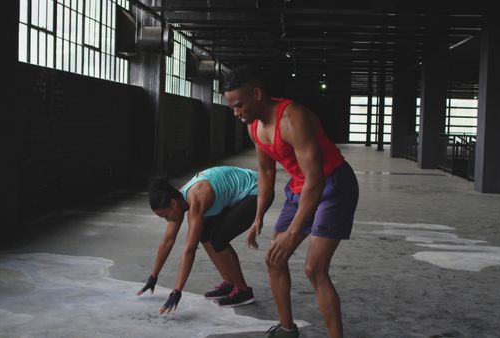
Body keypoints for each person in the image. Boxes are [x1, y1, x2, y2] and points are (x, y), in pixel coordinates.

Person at [223, 66, 359, 338]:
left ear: (257, 94)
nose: (235, 112)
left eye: (238, 105)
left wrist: (293, 232)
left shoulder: (292, 118)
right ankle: (287, 329)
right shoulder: (254, 128)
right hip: (300, 189)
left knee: (315, 269)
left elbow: (316, 179)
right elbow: (266, 172)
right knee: (275, 259)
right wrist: (258, 217)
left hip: (333, 185)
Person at [137, 166, 272, 314]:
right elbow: (167, 241)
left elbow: (189, 250)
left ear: (173, 203)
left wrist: (176, 291)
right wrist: (153, 277)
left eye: (165, 216)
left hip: (258, 192)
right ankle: (230, 282)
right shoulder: (178, 200)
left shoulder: (197, 199)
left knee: (219, 237)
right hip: (239, 195)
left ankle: (243, 290)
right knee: (204, 233)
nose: (167, 220)